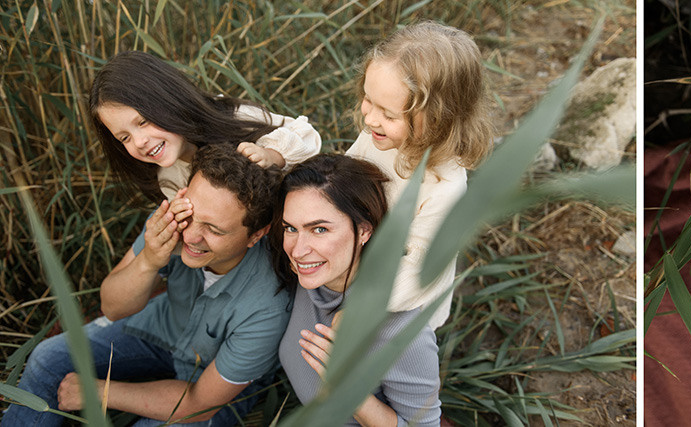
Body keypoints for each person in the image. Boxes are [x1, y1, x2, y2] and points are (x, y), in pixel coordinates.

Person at [2, 144, 291, 426]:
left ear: (256, 235)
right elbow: (112, 307)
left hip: (214, 381)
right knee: (47, 360)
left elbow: (197, 405)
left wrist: (100, 392)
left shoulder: (269, 305)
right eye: (190, 215)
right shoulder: (170, 222)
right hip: (160, 328)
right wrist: (150, 260)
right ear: (183, 195)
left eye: (214, 230)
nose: (191, 236)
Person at [272, 154, 442, 426]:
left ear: (364, 230)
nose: (298, 250)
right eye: (291, 228)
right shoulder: (313, 274)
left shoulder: (400, 332)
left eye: (319, 229)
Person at [344, 21, 494, 321]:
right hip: (351, 270)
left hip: (396, 308)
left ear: (439, 119)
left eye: (388, 115)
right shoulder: (379, 138)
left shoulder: (445, 189)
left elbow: (417, 274)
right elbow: (341, 182)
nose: (370, 120)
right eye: (368, 100)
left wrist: (357, 305)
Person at [90, 50, 321, 201]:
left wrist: (272, 155)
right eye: (124, 138)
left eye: (143, 121)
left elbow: (308, 137)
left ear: (169, 101)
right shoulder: (169, 179)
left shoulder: (232, 117)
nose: (139, 142)